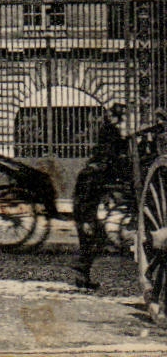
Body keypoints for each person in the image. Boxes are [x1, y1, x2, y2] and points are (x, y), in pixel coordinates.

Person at [74, 101, 130, 289]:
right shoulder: (109, 133)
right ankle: (82, 271)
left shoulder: (107, 132)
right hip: (86, 201)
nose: (118, 121)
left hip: (87, 199)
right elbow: (112, 155)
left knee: (94, 237)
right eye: (117, 117)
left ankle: (83, 274)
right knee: (92, 235)